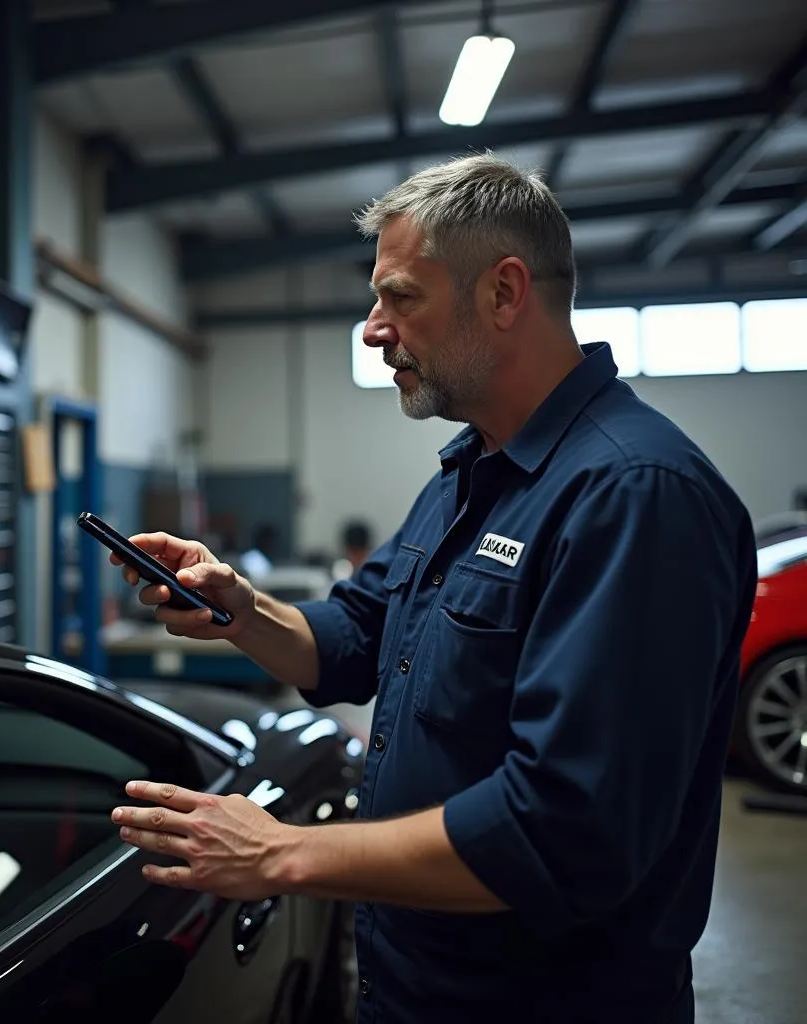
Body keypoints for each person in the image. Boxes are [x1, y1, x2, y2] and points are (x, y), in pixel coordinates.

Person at [109, 155, 757, 1023]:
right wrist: (240, 608)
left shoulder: (635, 495)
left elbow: (561, 831)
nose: (375, 330)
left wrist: (285, 855)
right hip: (411, 988)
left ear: (503, 292)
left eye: (401, 297)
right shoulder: (467, 474)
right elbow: (355, 638)